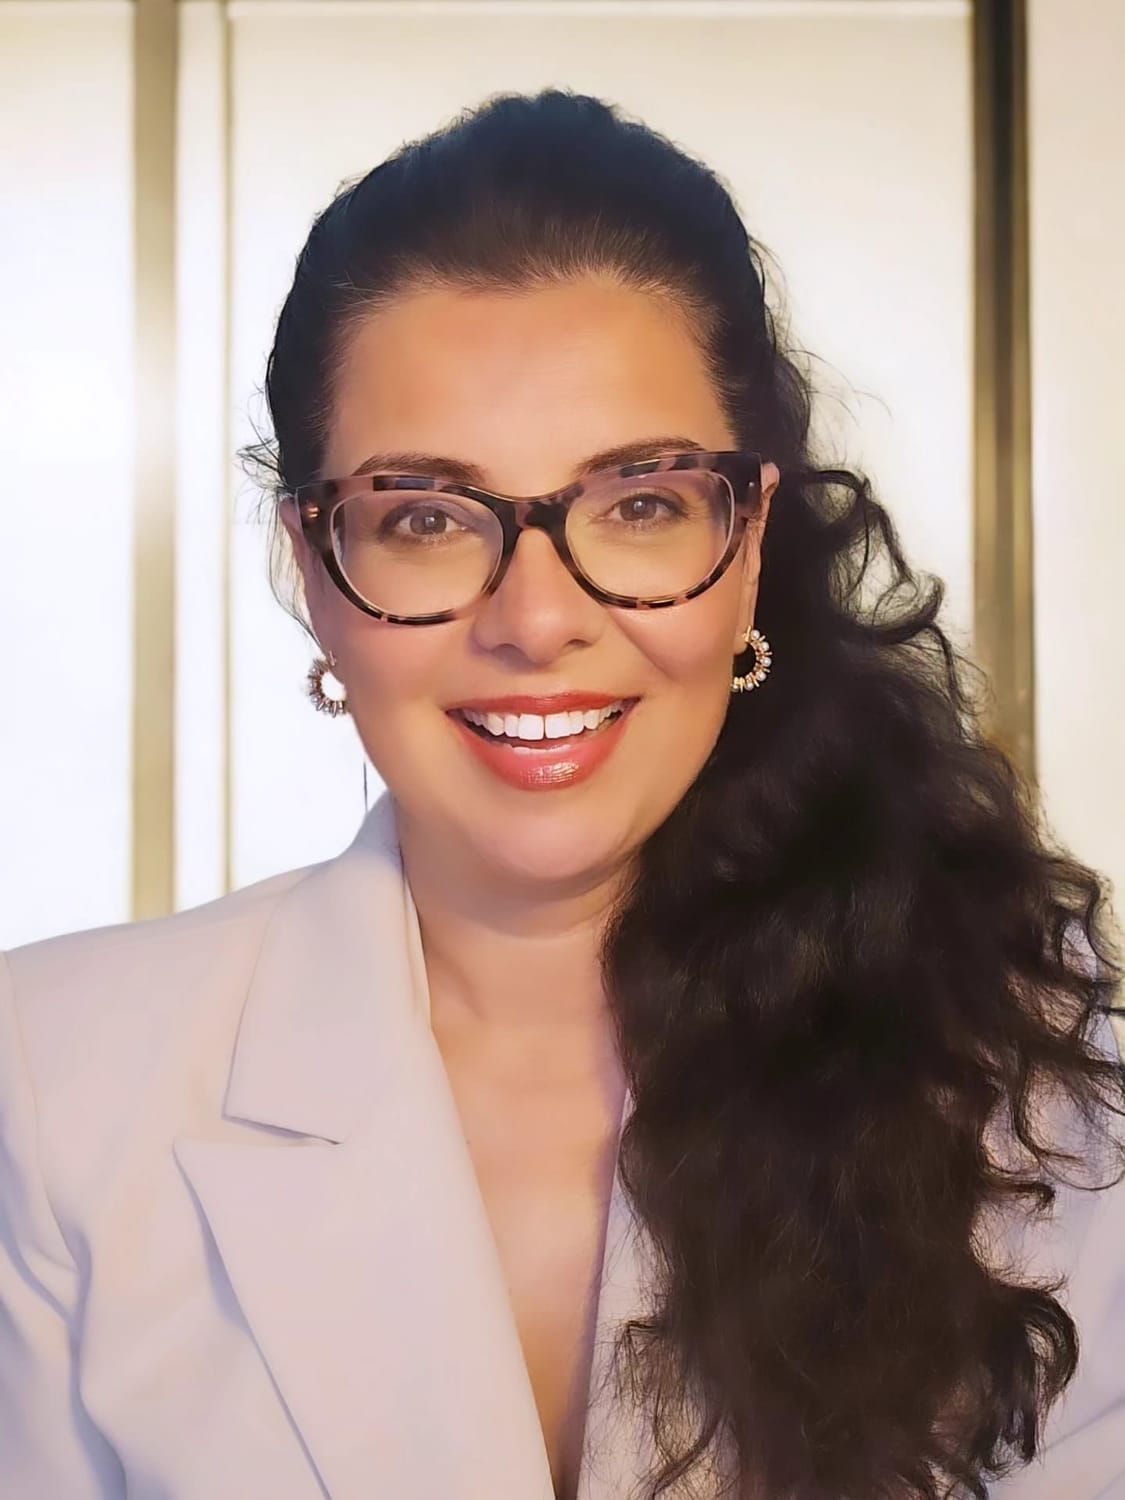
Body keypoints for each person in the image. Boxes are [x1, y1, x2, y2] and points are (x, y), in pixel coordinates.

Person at [2, 88, 1123, 1500]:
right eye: (424, 517)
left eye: (639, 504)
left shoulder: (1028, 1081)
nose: (537, 620)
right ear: (313, 568)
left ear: (748, 541)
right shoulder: (52, 1082)